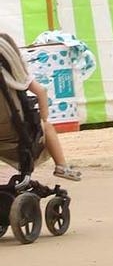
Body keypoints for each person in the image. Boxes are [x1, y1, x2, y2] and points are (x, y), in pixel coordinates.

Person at [0, 34, 80, 180]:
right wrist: (43, 119)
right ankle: (61, 166)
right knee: (47, 126)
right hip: (13, 130)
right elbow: (41, 91)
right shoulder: (12, 72)